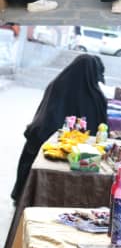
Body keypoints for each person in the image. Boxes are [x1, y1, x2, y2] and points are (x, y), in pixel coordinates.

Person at [10, 54, 107, 203]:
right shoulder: (95, 96)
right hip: (80, 152)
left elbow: (45, 116)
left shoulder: (57, 84)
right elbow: (100, 128)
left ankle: (24, 197)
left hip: (43, 138)